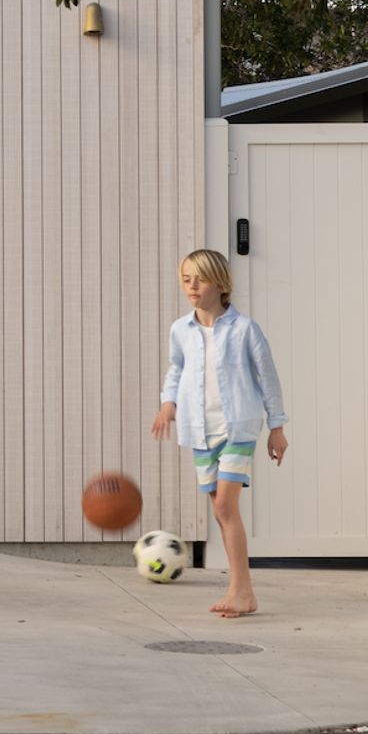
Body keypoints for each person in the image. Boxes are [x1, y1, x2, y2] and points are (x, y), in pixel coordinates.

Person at [148, 247, 288, 618]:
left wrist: (277, 427)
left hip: (238, 426)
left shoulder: (245, 330)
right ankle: (244, 591)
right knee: (220, 511)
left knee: (226, 505)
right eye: (186, 278)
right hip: (199, 431)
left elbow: (268, 379)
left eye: (200, 278)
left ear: (221, 283)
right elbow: (175, 370)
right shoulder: (180, 330)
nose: (192, 286)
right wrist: (168, 403)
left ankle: (240, 590)